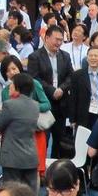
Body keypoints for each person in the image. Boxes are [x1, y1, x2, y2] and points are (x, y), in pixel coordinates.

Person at [25, 26, 74, 157]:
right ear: (47, 38)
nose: (58, 43)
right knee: (43, 141)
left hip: (61, 104)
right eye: (56, 39)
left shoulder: (65, 56)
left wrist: (61, 89)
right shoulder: (35, 57)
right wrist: (52, 90)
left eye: (61, 40)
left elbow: (71, 76)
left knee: (59, 141)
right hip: (44, 103)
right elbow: (34, 78)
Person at [0, 72, 41, 193]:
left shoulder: (9, 105)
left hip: (12, 157)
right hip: (30, 155)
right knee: (30, 193)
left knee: (12, 193)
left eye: (12, 85)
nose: (9, 87)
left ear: (17, 88)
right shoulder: (35, 105)